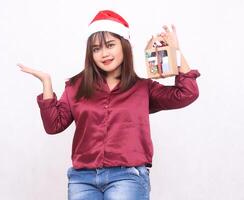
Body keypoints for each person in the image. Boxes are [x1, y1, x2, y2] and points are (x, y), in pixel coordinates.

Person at [18, 10, 200, 200]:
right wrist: (47, 84)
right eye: (96, 49)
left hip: (127, 177)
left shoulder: (142, 89)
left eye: (110, 45)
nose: (104, 54)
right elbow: (54, 125)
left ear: (124, 46)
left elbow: (187, 93)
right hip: (82, 179)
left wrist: (175, 53)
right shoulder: (76, 87)